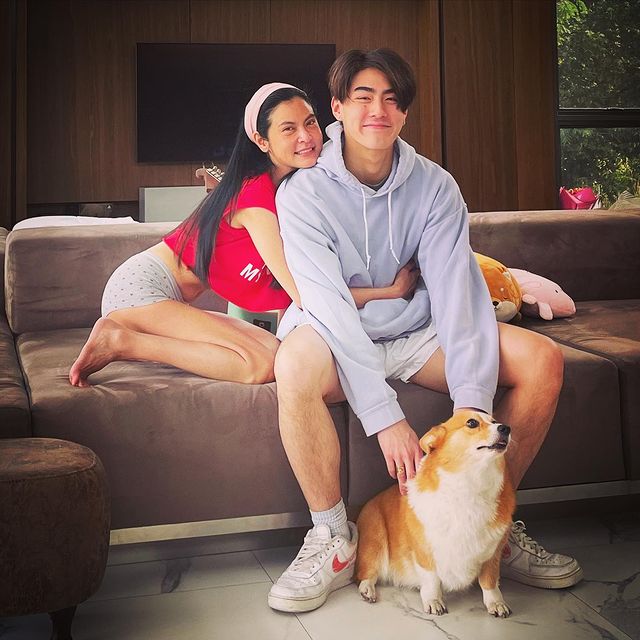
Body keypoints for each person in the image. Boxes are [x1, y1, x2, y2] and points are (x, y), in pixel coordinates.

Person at [267, 49, 583, 613]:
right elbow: (330, 307)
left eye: (392, 100)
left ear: (405, 113)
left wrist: (471, 414)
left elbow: (459, 296)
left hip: (416, 333)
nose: (378, 111)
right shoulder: (301, 192)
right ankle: (333, 538)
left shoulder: (436, 186)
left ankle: (493, 527)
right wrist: (385, 417)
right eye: (363, 97)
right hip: (332, 335)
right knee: (291, 363)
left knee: (543, 359)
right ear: (336, 107)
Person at [70, 83, 418, 387]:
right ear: (262, 141)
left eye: (310, 122)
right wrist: (388, 292)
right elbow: (307, 294)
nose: (306, 136)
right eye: (289, 128)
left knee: (273, 353)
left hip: (166, 300)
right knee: (260, 365)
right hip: (139, 291)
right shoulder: (256, 199)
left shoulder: (288, 194)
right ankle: (120, 341)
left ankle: (126, 338)